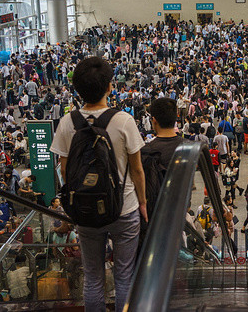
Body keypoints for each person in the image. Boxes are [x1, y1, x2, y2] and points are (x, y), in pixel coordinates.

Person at [50, 56, 147, 312]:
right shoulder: (124, 121)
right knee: (125, 275)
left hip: (84, 210)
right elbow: (137, 170)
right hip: (123, 208)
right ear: (109, 87)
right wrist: (143, 203)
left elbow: (64, 170)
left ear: (77, 89)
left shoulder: (66, 123)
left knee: (93, 277)